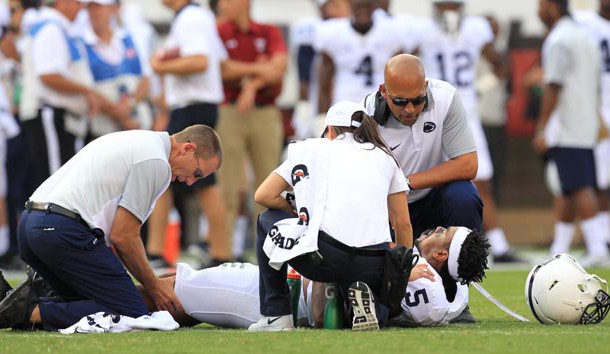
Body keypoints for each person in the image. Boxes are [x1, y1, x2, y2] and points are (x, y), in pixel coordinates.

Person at [0, 124, 222, 331]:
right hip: (62, 231)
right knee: (131, 311)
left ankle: (13, 298)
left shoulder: (139, 140)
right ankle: (27, 310)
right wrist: (153, 285)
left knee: (86, 302)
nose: (191, 182)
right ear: (187, 148)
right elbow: (123, 236)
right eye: (197, 173)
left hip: (32, 224)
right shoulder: (156, 161)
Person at [248, 100, 412, 332]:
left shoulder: (311, 148)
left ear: (331, 130)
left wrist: (296, 212)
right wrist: (401, 271)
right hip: (373, 262)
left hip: (325, 256)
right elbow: (402, 223)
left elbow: (264, 195)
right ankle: (372, 306)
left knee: (267, 219)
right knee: (378, 302)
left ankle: (276, 314)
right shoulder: (386, 157)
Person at [410, 0, 519, 263]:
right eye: (444, 6)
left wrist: (478, 89)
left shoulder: (476, 29)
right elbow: (405, 62)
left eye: (453, 5)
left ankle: (493, 246)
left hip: (465, 114)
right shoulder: (421, 31)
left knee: (480, 181)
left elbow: (500, 65)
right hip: (432, 114)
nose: (449, 12)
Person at [147, 0, 231, 269]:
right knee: (175, 179)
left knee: (181, 177)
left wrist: (161, 66)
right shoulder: (195, 17)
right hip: (191, 105)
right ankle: (219, 251)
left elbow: (200, 61)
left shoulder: (191, 18)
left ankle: (217, 252)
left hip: (193, 106)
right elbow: (219, 62)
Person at [364, 54, 481, 240]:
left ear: (426, 87)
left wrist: (406, 183)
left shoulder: (445, 98)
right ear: (384, 91)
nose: (410, 109)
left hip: (432, 197)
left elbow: (468, 164)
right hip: (387, 204)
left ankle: (467, 268)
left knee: (464, 195)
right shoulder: (366, 117)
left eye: (418, 100)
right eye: (400, 102)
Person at [534, 0, 609, 266]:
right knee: (568, 187)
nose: (538, 11)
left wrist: (542, 126)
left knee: (579, 187)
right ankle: (560, 247)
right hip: (585, 122)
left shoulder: (559, 38)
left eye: (541, 5)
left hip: (566, 125)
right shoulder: (584, 36)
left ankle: (598, 247)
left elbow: (553, 86)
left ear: (554, 7)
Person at [216, 0, 288, 261]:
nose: (223, 5)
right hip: (230, 111)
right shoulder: (219, 31)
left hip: (265, 111)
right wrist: (261, 70)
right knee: (228, 186)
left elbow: (279, 68)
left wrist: (251, 84)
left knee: (268, 184)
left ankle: (267, 253)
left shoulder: (267, 31)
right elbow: (222, 69)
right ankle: (223, 254)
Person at [388, 226, 489, 327]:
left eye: (442, 233)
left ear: (440, 254)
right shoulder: (452, 302)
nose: (438, 228)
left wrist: (400, 276)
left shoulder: (424, 283)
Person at [315, 0, 402, 115]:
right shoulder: (334, 33)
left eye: (367, 5)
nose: (363, 10)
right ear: (350, 5)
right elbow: (324, 84)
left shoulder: (391, 32)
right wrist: (322, 117)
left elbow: (399, 79)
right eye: (359, 5)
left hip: (380, 107)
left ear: (374, 6)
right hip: (345, 107)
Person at [80, 0, 150, 141]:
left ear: (112, 9)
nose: (94, 13)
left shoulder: (129, 38)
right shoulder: (81, 44)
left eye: (99, 8)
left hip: (136, 125)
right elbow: (85, 88)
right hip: (102, 131)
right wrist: (120, 115)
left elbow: (146, 79)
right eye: (90, 8)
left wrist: (129, 106)